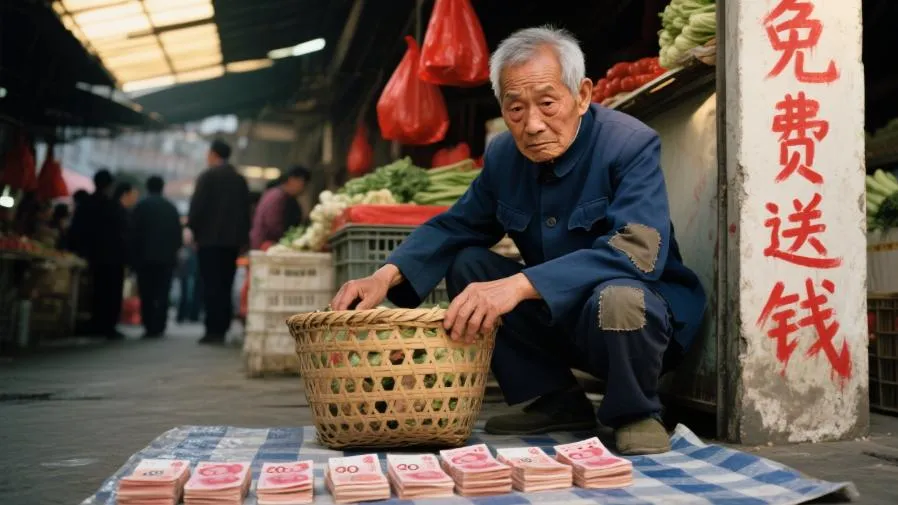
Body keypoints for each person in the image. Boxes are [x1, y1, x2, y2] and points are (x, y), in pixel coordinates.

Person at [331, 27, 706, 455]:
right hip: (563, 319)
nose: (532, 124)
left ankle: (636, 411)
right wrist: (383, 276)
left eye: (548, 103)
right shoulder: (504, 156)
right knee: (468, 264)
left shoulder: (629, 144)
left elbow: (638, 252)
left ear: (582, 96)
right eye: (515, 108)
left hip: (637, 324)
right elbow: (456, 226)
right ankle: (557, 399)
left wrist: (518, 286)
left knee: (618, 295)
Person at [188, 139, 251, 345]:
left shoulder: (207, 177)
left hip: (208, 242)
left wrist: (195, 232)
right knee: (225, 284)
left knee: (210, 285)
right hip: (231, 243)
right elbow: (245, 213)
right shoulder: (239, 180)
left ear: (214, 154)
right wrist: (242, 240)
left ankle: (212, 330)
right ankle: (222, 328)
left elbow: (197, 208)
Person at [67, 169, 129, 339]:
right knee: (112, 292)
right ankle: (108, 326)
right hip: (114, 257)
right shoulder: (114, 206)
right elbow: (125, 231)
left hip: (94, 256)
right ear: (110, 185)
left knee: (96, 290)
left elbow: (76, 230)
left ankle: (97, 323)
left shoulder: (87, 204)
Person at [130, 176, 182, 338]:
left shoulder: (140, 206)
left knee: (147, 292)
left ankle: (149, 325)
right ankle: (160, 325)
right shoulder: (171, 208)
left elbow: (134, 233)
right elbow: (177, 235)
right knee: (162, 292)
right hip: (166, 259)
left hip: (145, 258)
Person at [250, 165, 310, 250]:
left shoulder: (275, 193)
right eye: (303, 184)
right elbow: (273, 225)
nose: (303, 189)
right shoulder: (278, 197)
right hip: (265, 246)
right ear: (293, 180)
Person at [176, 226, 203, 324]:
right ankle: (186, 315)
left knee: (188, 295)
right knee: (186, 295)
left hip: (190, 273)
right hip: (187, 273)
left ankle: (187, 315)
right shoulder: (189, 249)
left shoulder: (189, 249)